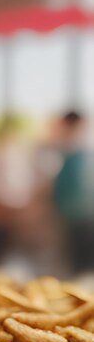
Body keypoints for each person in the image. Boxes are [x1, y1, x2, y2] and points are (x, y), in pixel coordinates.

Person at [52, 112, 94, 273]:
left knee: (83, 263)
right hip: (74, 214)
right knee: (79, 261)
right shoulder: (70, 150)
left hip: (81, 214)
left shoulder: (80, 150)